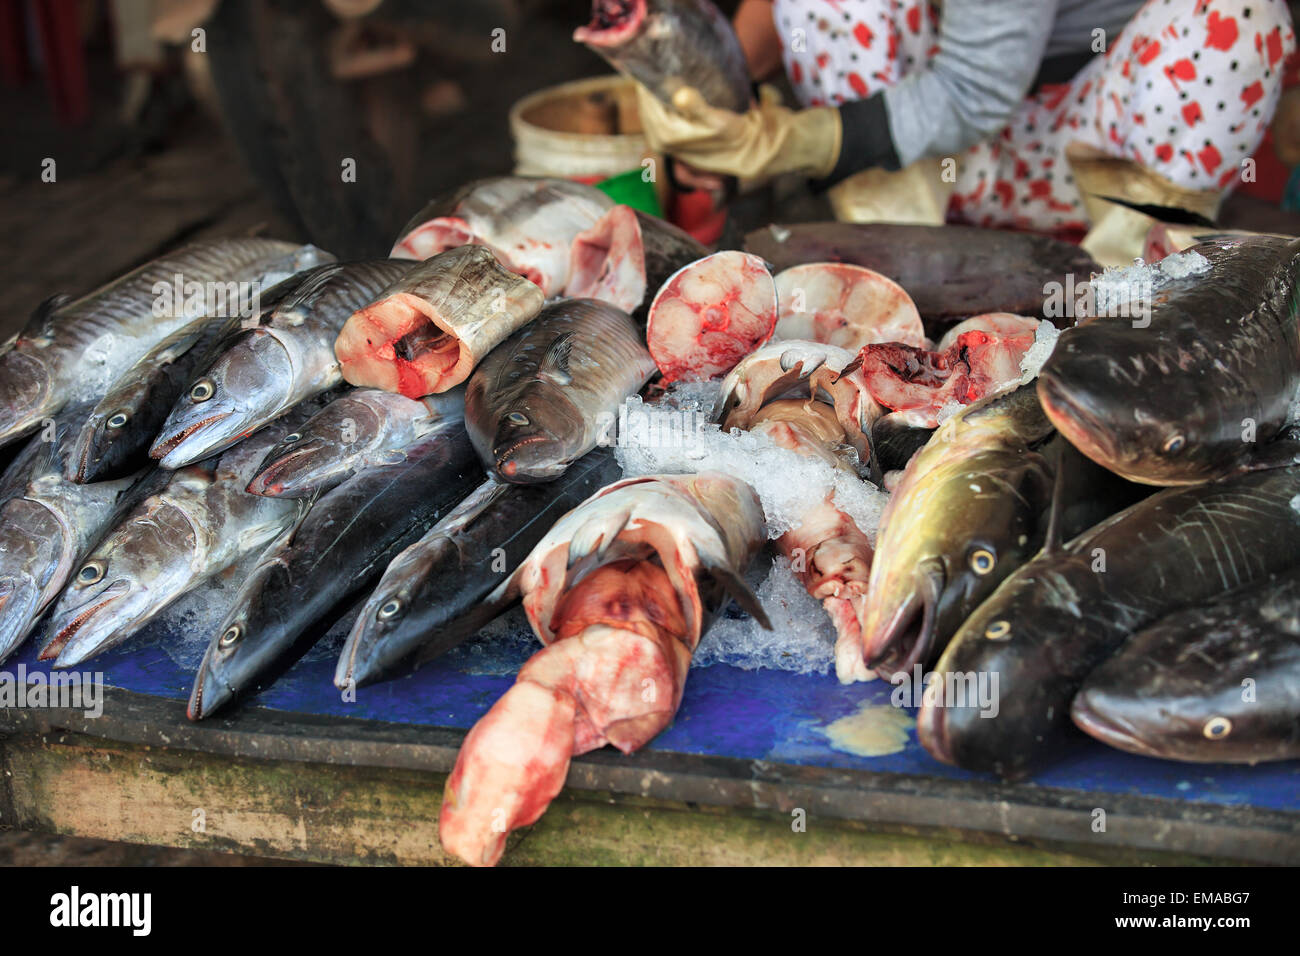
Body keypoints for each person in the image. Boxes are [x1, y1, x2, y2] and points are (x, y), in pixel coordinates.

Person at [635, 0, 1297, 264]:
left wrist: (800, 141)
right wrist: (713, 102)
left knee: (1240, 12)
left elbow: (976, 86)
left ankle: (1124, 289)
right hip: (950, 166)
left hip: (1103, 153)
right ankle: (898, 266)